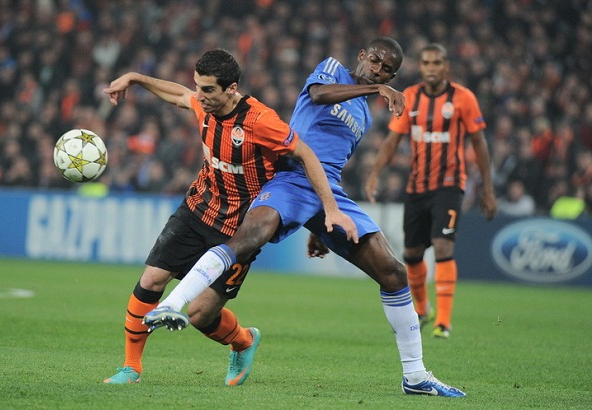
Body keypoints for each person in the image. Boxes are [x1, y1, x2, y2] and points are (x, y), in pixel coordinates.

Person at [146, 37, 467, 397]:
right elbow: (318, 95)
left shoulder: (363, 114)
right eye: (375, 61)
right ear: (362, 55)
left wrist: (320, 225)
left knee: (393, 272)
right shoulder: (332, 70)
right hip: (292, 179)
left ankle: (416, 376)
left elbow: (332, 161)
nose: (378, 70)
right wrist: (377, 88)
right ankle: (170, 305)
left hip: (327, 190)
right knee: (247, 238)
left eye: (387, 71)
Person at [101, 49, 357, 385]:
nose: (200, 96)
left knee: (200, 315)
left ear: (231, 88)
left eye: (208, 89)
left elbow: (306, 155)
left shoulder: (261, 121)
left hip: (239, 231)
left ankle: (244, 341)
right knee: (151, 281)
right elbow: (179, 94)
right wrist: (135, 78)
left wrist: (330, 209)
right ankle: (131, 367)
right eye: (198, 86)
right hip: (197, 210)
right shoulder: (202, 104)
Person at [364, 43, 497, 339]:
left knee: (442, 246)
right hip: (417, 187)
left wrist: (488, 189)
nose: (431, 68)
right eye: (426, 63)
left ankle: (444, 322)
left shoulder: (463, 98)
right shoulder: (410, 97)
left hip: (449, 185)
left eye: (437, 62)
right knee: (411, 254)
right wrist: (374, 174)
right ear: (421, 67)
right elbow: (392, 141)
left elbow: (479, 144)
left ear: (446, 66)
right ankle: (423, 309)